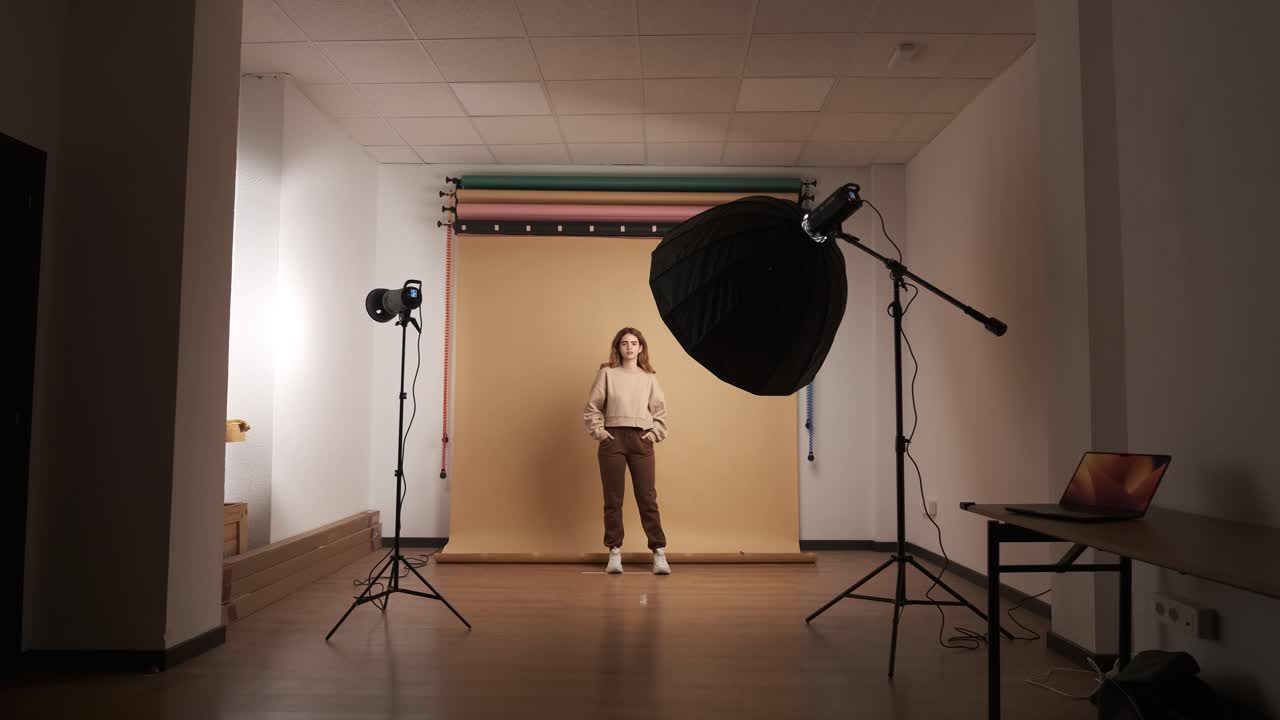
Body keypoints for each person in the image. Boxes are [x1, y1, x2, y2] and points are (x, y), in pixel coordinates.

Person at [583, 327, 670, 575]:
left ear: (641, 348)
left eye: (634, 343)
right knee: (613, 499)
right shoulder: (607, 374)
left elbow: (660, 413)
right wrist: (600, 432)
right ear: (618, 347)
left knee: (647, 498)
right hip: (613, 439)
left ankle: (659, 552)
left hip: (641, 439)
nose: (629, 347)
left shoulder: (649, 378)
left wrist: (652, 434)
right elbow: (592, 407)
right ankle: (614, 552)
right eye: (624, 343)